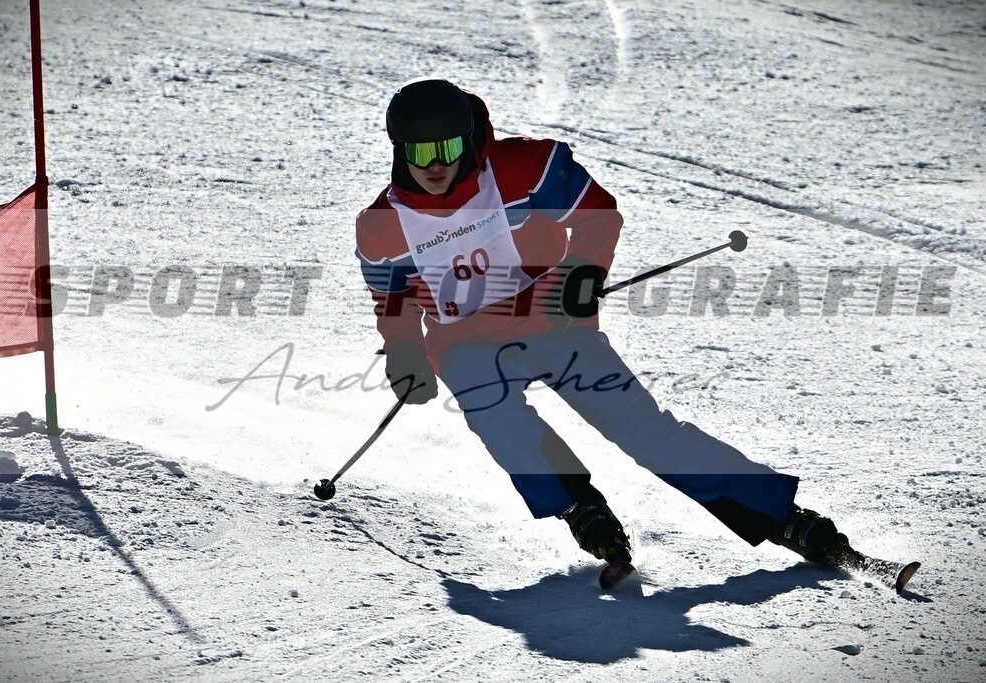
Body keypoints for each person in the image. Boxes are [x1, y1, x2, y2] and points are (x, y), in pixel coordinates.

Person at [354, 77, 853, 576]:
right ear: (401, 150)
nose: (436, 164)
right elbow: (391, 297)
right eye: (421, 151)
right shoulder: (381, 225)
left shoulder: (528, 168)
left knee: (643, 430)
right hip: (465, 343)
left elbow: (597, 214)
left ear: (469, 138)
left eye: (448, 147)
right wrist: (403, 350)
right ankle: (578, 505)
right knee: (494, 412)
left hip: (553, 322)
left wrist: (582, 271)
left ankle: (782, 516)